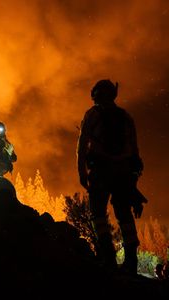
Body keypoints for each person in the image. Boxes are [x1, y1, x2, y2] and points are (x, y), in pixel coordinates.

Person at [77, 79, 147, 275]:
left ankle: (107, 257)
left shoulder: (92, 115)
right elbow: (135, 151)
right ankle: (131, 261)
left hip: (100, 171)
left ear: (95, 95)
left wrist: (82, 173)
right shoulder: (126, 117)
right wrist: (133, 180)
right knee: (124, 215)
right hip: (124, 173)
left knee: (98, 213)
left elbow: (82, 147)